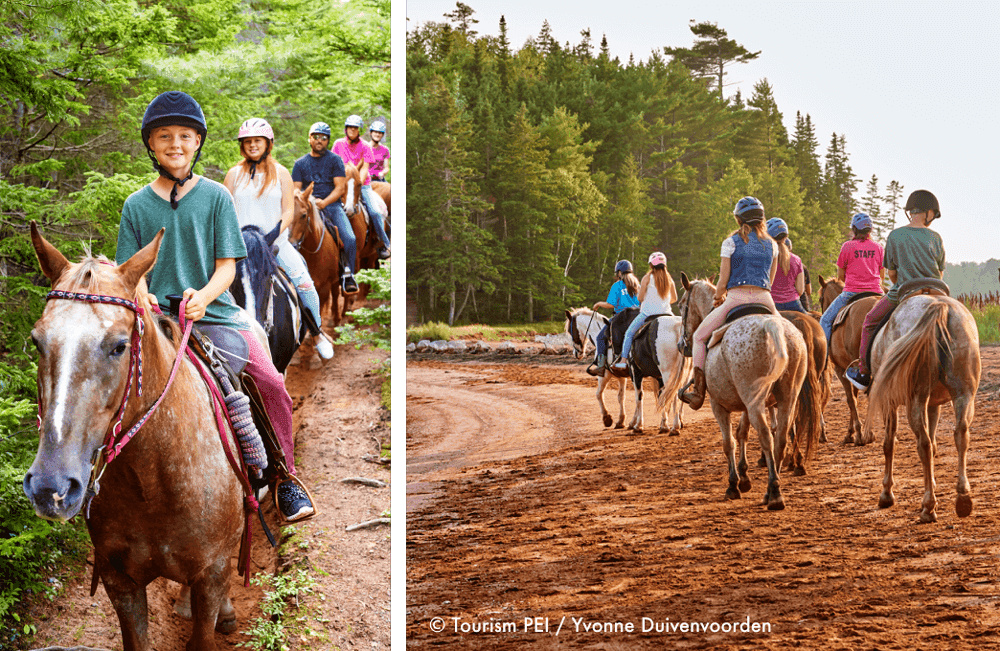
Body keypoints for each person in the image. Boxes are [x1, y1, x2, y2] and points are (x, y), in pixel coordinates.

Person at [117, 91, 314, 522]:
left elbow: (227, 268)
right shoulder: (135, 206)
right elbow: (131, 270)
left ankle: (285, 478)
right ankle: (95, 482)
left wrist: (204, 296)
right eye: (164, 136)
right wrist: (143, 293)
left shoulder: (216, 198)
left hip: (216, 314)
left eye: (184, 136)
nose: (175, 144)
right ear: (150, 144)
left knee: (270, 382)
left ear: (197, 142)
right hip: (154, 321)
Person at [223, 118, 335, 360]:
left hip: (275, 244)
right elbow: (226, 210)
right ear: (243, 145)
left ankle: (316, 333)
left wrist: (274, 233)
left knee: (305, 283)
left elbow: (287, 211)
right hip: (240, 246)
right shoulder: (233, 175)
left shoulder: (282, 173)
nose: (253, 145)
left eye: (258, 141)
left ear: (268, 144)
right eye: (248, 142)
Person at [679, 196, 779, 410]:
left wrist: (718, 297)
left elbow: (722, 280)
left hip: (736, 299)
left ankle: (697, 391)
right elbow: (770, 280)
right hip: (765, 300)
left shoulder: (730, 242)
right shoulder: (772, 244)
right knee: (789, 337)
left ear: (738, 219)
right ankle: (784, 386)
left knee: (698, 337)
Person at [846, 191, 945, 389]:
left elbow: (891, 274)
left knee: (870, 321)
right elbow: (940, 273)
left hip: (906, 291)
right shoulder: (936, 237)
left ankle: (864, 372)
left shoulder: (895, 235)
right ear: (927, 212)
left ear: (911, 212)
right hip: (937, 291)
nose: (933, 218)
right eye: (933, 214)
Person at [291, 122, 359, 294]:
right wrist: (308, 201)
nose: (319, 140)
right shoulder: (300, 164)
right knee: (289, 236)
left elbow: (340, 188)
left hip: (332, 206)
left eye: (324, 137)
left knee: (350, 238)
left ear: (328, 141)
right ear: (309, 139)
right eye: (316, 137)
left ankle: (348, 274)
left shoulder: (335, 160)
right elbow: (296, 190)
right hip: (307, 206)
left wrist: (325, 202)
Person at [818, 212, 885, 343]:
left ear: (854, 229)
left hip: (852, 293)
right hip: (876, 292)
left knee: (825, 320)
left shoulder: (847, 246)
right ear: (870, 230)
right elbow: (882, 275)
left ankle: (824, 360)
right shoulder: (879, 247)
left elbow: (841, 276)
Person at [332, 115, 391, 259]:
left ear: (359, 130)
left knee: (375, 212)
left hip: (361, 185)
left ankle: (383, 243)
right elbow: (332, 164)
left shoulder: (365, 146)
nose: (352, 130)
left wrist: (356, 185)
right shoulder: (338, 144)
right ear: (346, 129)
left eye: (355, 128)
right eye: (350, 127)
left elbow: (365, 168)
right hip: (341, 184)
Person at [610, 252, 677, 372]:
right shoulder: (669, 278)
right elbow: (674, 299)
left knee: (629, 333)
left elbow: (640, 298)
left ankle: (623, 361)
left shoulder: (647, 277)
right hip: (668, 314)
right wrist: (663, 301)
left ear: (651, 265)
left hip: (648, 314)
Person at [587, 259, 641, 376]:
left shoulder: (617, 286)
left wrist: (598, 304)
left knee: (600, 338)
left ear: (620, 273)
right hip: (637, 318)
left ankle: (601, 366)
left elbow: (611, 305)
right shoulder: (638, 285)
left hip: (621, 318)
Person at [766, 218, 806, 313]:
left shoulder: (765, 258)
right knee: (816, 324)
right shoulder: (797, 260)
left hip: (770, 304)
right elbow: (800, 290)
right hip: (793, 304)